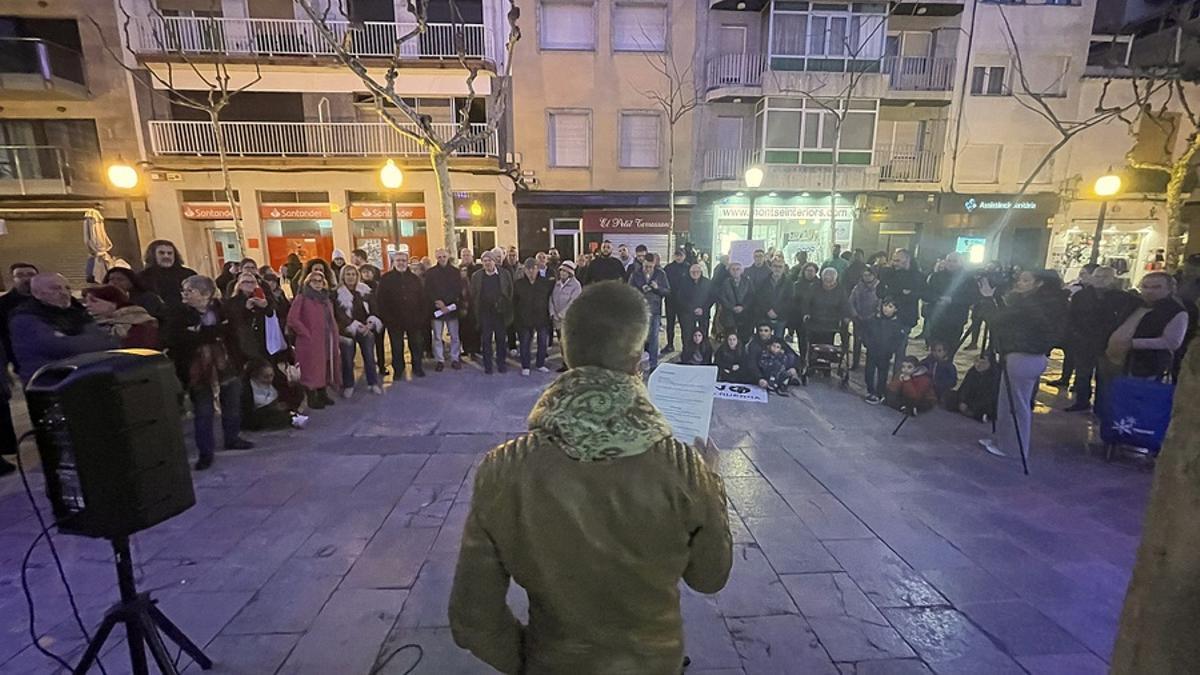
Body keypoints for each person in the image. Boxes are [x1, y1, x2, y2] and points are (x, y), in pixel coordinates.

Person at [449, 281, 732, 675]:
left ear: (565, 352)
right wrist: (711, 485)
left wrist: (531, 663)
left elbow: (472, 619)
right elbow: (709, 577)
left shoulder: (504, 470)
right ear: (638, 362)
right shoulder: (682, 469)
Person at [975, 269, 1067, 462]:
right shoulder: (1045, 302)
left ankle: (1014, 448)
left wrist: (987, 300)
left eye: (1026, 280)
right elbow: (1008, 319)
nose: (1019, 283)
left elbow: (998, 321)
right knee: (1006, 402)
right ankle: (1002, 440)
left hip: (1023, 357)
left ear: (1039, 283)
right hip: (1025, 356)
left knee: (1017, 406)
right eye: (1019, 279)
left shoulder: (1032, 304)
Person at [165, 275, 253, 471]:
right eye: (184, 290)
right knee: (204, 412)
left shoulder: (222, 310)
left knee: (231, 404)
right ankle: (206, 452)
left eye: (190, 291)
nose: (185, 294)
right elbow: (177, 339)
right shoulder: (179, 314)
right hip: (198, 370)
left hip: (227, 365)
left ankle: (232, 437)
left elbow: (233, 332)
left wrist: (202, 333)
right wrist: (211, 332)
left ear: (206, 295)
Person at [9, 273, 119, 383]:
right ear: (36, 293)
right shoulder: (25, 317)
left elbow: (108, 341)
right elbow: (59, 347)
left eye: (67, 288)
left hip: (84, 378)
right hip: (49, 383)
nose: (64, 292)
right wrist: (89, 339)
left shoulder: (76, 312)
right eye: (55, 288)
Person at [1061, 266, 1136, 411]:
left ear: (1113, 279)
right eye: (1097, 276)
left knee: (1105, 377)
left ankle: (1101, 406)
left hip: (1108, 342)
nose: (1100, 280)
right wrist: (1075, 335)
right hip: (1084, 340)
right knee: (1083, 374)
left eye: (1105, 277)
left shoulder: (1123, 298)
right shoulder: (1081, 296)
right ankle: (1082, 401)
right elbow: (1072, 317)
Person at [1106, 272, 1189, 381]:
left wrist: (1134, 343)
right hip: (1123, 362)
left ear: (1169, 289)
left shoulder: (1176, 311)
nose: (1149, 291)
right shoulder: (1134, 305)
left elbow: (1172, 342)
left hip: (1152, 366)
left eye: (1156, 287)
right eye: (1145, 287)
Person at [286, 271, 342, 410]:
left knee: (324, 365)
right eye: (314, 281)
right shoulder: (302, 298)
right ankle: (312, 397)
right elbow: (292, 319)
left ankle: (322, 393)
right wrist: (305, 333)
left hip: (326, 338)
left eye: (320, 281)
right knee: (311, 368)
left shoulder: (326, 299)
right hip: (310, 341)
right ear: (308, 282)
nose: (318, 284)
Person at [376, 251, 429, 379]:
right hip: (394, 320)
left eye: (403, 260)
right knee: (397, 346)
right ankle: (398, 370)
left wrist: (421, 317)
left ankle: (417, 367)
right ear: (393, 262)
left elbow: (423, 299)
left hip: (414, 319)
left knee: (416, 345)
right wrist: (387, 318)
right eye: (398, 260)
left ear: (408, 262)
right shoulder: (386, 278)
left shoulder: (414, 279)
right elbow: (381, 300)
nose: (401, 263)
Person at [335, 265, 383, 397]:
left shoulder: (365, 290)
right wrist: (353, 325)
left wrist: (370, 323)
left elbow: (374, 308)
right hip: (347, 330)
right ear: (343, 276)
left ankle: (373, 383)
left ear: (358, 276)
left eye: (353, 274)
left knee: (369, 357)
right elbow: (338, 314)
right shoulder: (337, 293)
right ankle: (349, 385)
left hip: (365, 328)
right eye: (348, 274)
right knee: (347, 359)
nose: (351, 277)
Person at [876, 248, 924, 370]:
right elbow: (880, 291)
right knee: (884, 351)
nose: (894, 263)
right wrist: (902, 292)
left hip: (905, 318)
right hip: (887, 317)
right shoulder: (888, 273)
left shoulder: (916, 276)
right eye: (893, 260)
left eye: (897, 260)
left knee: (900, 351)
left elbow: (919, 293)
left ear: (906, 260)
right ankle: (882, 380)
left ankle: (897, 381)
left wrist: (898, 292)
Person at [469, 251, 514, 374]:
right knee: (486, 340)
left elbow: (510, 291)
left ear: (494, 261)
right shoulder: (477, 276)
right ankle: (488, 365)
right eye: (484, 261)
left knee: (501, 339)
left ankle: (501, 364)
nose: (487, 263)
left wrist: (506, 305)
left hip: (500, 313)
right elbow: (473, 294)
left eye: (489, 260)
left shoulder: (505, 274)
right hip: (485, 313)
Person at [923, 252, 977, 352]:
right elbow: (927, 293)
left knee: (950, 349)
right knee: (935, 349)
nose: (951, 264)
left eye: (954, 261)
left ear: (961, 263)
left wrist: (952, 300)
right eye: (949, 261)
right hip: (937, 318)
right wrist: (938, 299)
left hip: (955, 319)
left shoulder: (968, 279)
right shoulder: (936, 276)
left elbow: (971, 297)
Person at [223, 271, 277, 369]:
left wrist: (265, 306)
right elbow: (234, 321)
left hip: (263, 341)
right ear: (239, 285)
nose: (249, 285)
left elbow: (272, 317)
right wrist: (246, 309)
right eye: (245, 282)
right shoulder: (232, 302)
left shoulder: (264, 299)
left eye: (252, 282)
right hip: (242, 343)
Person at [82, 285, 159, 350]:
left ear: (113, 302)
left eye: (94, 301)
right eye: (86, 301)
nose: (88, 305)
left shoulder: (139, 323)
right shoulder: (90, 324)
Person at [862, 298, 908, 405]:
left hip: (885, 353)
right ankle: (870, 390)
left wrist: (891, 349)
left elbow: (898, 340)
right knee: (869, 371)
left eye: (890, 307)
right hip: (872, 350)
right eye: (885, 306)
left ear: (895, 309)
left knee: (882, 374)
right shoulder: (874, 319)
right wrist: (867, 343)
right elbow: (866, 332)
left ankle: (879, 392)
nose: (886, 309)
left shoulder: (897, 324)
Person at [241, 358, 308, 431]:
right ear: (255, 376)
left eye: (272, 375)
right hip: (254, 418)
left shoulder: (275, 382)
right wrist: (272, 408)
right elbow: (248, 413)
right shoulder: (246, 389)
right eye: (265, 377)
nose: (270, 379)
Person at [628, 253, 670, 369]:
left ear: (654, 265)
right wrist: (640, 290)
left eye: (650, 267)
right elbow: (629, 291)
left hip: (654, 310)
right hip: (639, 311)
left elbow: (667, 291)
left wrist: (657, 288)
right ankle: (637, 364)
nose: (647, 269)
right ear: (643, 263)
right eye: (646, 266)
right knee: (638, 338)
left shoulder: (660, 274)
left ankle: (653, 365)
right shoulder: (636, 274)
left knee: (654, 338)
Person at [513, 258, 554, 376]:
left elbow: (550, 298)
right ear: (524, 270)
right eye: (528, 269)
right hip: (524, 318)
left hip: (542, 317)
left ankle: (540, 364)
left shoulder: (545, 282)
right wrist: (517, 318)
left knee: (542, 342)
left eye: (534, 268)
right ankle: (525, 366)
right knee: (525, 343)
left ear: (538, 269)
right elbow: (514, 302)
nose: (531, 271)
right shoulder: (518, 284)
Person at [425, 248, 464, 372]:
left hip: (452, 307)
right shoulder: (430, 272)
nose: (442, 259)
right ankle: (440, 360)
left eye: (444, 256)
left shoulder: (455, 272)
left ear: (448, 256)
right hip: (436, 307)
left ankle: (454, 358)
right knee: (437, 336)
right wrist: (438, 302)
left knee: (454, 336)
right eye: (439, 257)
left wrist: (448, 304)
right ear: (436, 258)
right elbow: (428, 289)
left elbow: (458, 289)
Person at [1, 262, 39, 375]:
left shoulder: (49, 298)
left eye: (31, 274)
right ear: (12, 279)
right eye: (20, 275)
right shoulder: (3, 304)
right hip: (22, 359)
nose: (27, 278)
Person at [139, 240, 197, 310]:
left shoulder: (189, 274)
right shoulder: (143, 277)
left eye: (169, 253)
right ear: (153, 255)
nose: (166, 256)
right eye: (161, 253)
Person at [805, 268, 852, 348]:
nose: (828, 283)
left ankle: (828, 355)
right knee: (813, 340)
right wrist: (806, 313)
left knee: (828, 340)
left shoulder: (840, 290)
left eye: (830, 280)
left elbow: (845, 305)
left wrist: (846, 316)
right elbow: (806, 302)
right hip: (815, 319)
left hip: (832, 320)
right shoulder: (814, 287)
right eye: (826, 280)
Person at [945, 353, 999, 422]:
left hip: (983, 402)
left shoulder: (994, 375)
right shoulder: (972, 371)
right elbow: (965, 388)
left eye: (983, 362)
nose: (979, 365)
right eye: (976, 361)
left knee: (986, 409)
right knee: (950, 396)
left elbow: (991, 396)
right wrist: (963, 401)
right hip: (970, 399)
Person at [550, 260, 582, 372]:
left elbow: (573, 302)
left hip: (568, 320)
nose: (562, 273)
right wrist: (553, 313)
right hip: (558, 321)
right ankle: (565, 363)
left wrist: (562, 314)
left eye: (565, 271)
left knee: (569, 343)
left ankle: (572, 365)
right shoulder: (557, 284)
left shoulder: (576, 285)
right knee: (561, 343)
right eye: (561, 271)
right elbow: (552, 299)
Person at [849, 268, 881, 370]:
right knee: (857, 342)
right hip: (858, 319)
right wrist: (855, 314)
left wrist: (875, 314)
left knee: (871, 343)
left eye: (869, 275)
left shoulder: (879, 287)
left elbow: (881, 302)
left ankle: (870, 364)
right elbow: (851, 302)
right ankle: (855, 363)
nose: (867, 277)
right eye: (865, 275)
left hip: (873, 319)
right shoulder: (857, 287)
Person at [717, 262, 755, 343]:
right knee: (729, 337)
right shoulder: (725, 283)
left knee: (743, 337)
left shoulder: (747, 282)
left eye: (738, 269)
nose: (735, 271)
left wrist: (743, 307)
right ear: (730, 271)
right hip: (729, 315)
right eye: (733, 269)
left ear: (742, 271)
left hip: (744, 314)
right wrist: (731, 307)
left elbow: (751, 296)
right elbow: (722, 297)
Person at [756, 258, 793, 339]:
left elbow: (789, 300)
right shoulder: (764, 281)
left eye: (780, 267)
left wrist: (777, 311)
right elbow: (760, 298)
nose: (777, 269)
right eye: (775, 266)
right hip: (765, 316)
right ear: (771, 267)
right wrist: (768, 310)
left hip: (781, 317)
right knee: (763, 341)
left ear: (784, 268)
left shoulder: (789, 283)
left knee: (778, 342)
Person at [662, 249, 691, 354]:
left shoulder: (689, 268)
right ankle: (669, 345)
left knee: (685, 325)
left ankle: (686, 347)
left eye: (681, 255)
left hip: (683, 302)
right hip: (670, 300)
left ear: (684, 256)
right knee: (670, 325)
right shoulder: (668, 268)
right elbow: (663, 282)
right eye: (677, 255)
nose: (679, 257)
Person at [676, 263, 713, 339]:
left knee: (703, 334)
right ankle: (687, 350)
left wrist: (703, 309)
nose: (695, 273)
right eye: (693, 272)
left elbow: (711, 298)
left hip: (703, 313)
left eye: (697, 271)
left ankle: (703, 350)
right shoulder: (683, 282)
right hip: (688, 313)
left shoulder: (708, 283)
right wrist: (692, 309)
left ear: (701, 272)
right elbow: (680, 298)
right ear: (689, 272)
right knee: (687, 335)